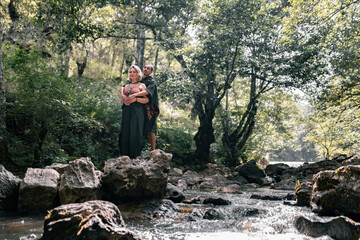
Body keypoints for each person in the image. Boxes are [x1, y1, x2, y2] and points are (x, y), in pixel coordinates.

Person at [126, 64, 159, 151]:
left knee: (151, 128)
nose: (145, 69)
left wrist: (135, 95)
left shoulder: (152, 82)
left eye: (148, 68)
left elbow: (147, 92)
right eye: (144, 67)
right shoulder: (139, 79)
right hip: (138, 106)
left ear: (151, 71)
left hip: (150, 107)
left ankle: (153, 151)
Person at [119, 65, 149, 159]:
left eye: (134, 72)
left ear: (138, 73)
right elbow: (122, 98)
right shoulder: (126, 85)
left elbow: (146, 100)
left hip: (137, 111)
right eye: (130, 72)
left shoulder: (141, 85)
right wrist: (123, 97)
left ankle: (134, 156)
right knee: (125, 131)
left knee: (135, 131)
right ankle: (124, 155)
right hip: (126, 110)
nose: (132, 74)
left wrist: (135, 99)